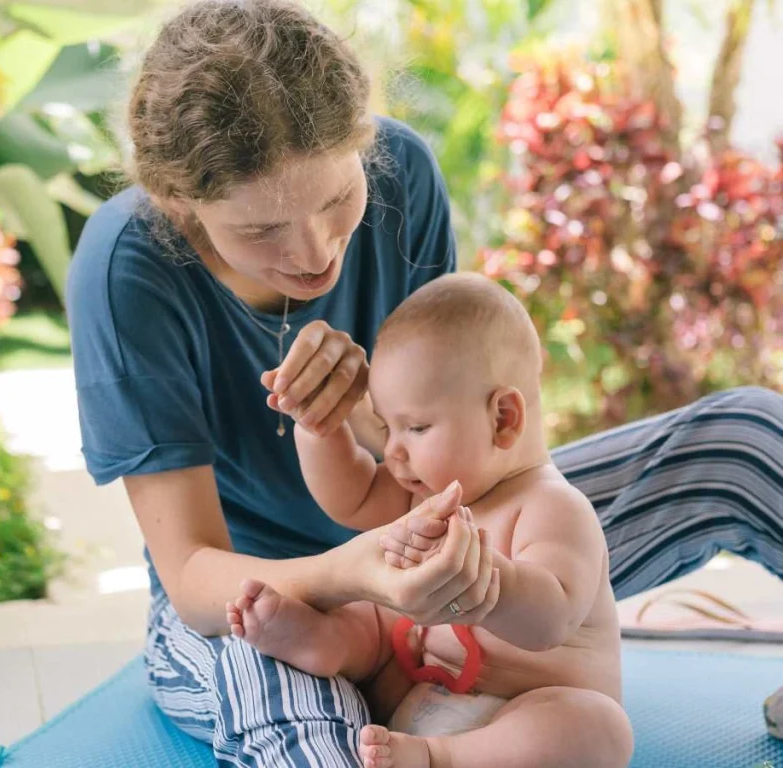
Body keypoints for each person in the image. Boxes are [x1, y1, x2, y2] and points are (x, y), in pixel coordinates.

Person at [65, 1, 783, 765]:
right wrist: (358, 571)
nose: (314, 253)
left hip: (449, 537)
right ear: (181, 205)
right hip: (264, 595)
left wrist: (362, 420)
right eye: (261, 230)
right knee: (317, 728)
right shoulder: (127, 268)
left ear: (363, 146)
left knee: (744, 439)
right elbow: (192, 578)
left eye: (337, 200)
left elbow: (432, 446)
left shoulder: (401, 175)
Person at [227, 273, 632, 768]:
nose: (393, 450)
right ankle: (319, 641)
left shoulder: (553, 508)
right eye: (386, 426)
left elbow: (553, 618)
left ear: (503, 418)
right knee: (372, 611)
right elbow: (349, 497)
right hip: (420, 687)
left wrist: (480, 576)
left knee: (599, 729)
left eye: (415, 427)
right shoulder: (423, 493)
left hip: (522, 718)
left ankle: (440, 758)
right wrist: (320, 429)